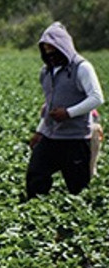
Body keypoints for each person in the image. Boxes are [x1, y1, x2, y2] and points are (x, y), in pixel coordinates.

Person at [26, 22, 104, 198]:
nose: (49, 54)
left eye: (53, 50)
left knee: (78, 188)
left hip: (75, 138)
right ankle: (37, 211)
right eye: (45, 50)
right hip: (51, 136)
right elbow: (48, 105)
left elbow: (96, 97)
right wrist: (39, 131)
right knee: (35, 175)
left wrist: (69, 113)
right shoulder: (46, 72)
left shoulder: (81, 68)